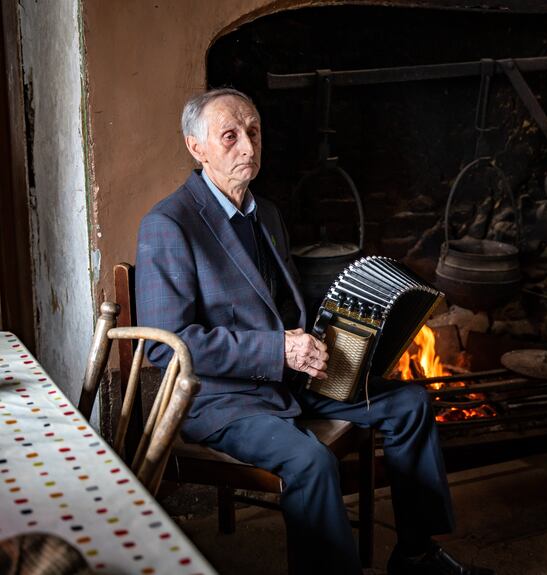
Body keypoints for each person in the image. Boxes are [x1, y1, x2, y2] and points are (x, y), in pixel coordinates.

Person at [135, 88, 493, 575]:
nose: (248, 146)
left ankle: (416, 555)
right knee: (313, 462)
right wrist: (279, 349)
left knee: (410, 403)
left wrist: (347, 337)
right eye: (230, 136)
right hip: (223, 400)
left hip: (292, 381)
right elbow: (166, 346)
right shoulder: (169, 223)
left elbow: (285, 306)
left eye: (254, 132)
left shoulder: (267, 214)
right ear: (195, 147)